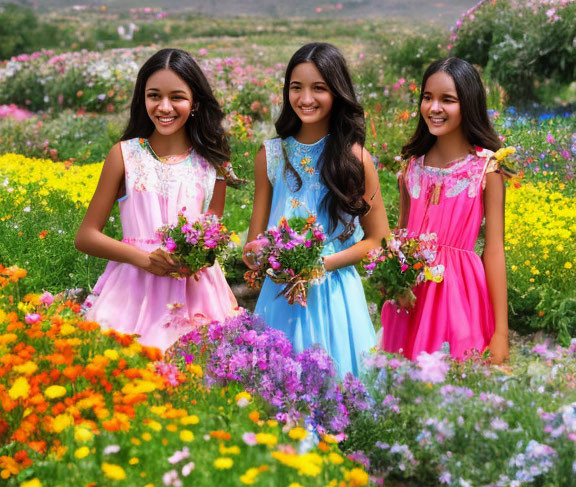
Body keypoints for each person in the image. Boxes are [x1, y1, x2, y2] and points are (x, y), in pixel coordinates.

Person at [74, 48, 239, 351]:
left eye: (177, 97)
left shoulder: (212, 163)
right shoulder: (124, 155)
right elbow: (85, 237)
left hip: (197, 292)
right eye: (154, 96)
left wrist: (197, 257)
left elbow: (213, 235)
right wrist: (144, 259)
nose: (164, 107)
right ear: (142, 99)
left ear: (195, 103)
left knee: (197, 379)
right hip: (132, 292)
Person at [244, 42, 387, 378]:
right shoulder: (271, 155)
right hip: (281, 297)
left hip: (335, 294)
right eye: (296, 88)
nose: (305, 98)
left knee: (341, 399)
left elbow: (378, 239)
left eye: (318, 88)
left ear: (337, 92)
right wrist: (260, 255)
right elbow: (253, 244)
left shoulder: (355, 159)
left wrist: (320, 265)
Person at [380, 57, 509, 364]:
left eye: (447, 100)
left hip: (460, 297)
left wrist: (501, 332)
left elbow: (494, 251)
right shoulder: (411, 168)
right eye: (427, 97)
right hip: (412, 298)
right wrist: (388, 275)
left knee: (457, 388)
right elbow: (400, 237)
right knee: (404, 389)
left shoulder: (486, 170)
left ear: (469, 104)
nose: (434, 108)